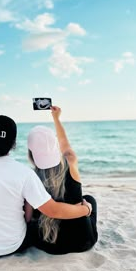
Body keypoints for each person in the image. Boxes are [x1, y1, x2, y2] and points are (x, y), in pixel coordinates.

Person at [0, 114, 93, 258]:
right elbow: (52, 210)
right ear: (13, 144)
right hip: (12, 246)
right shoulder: (23, 173)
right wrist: (86, 209)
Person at [27, 106, 98, 254]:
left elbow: (28, 217)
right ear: (55, 146)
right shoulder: (70, 162)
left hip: (49, 243)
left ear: (31, 153)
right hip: (82, 241)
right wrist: (56, 118)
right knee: (89, 199)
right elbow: (65, 143)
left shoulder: (31, 176)